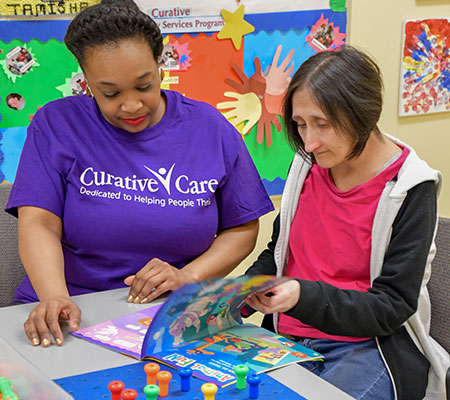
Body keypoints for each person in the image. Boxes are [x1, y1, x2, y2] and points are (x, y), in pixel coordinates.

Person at [5, 0, 273, 348]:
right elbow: (39, 221)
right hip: (69, 314)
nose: (131, 105)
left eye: (144, 85)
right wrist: (54, 296)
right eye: (110, 93)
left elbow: (241, 226)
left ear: (160, 65)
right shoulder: (56, 124)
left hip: (172, 317)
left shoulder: (210, 128)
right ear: (85, 82)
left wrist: (187, 276)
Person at [244, 47, 450, 400]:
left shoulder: (411, 187)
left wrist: (302, 296)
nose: (309, 141)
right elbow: (279, 254)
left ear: (364, 113)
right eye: (300, 124)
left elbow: (391, 307)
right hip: (287, 340)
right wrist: (235, 296)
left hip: (370, 348)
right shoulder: (306, 165)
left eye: (322, 124)